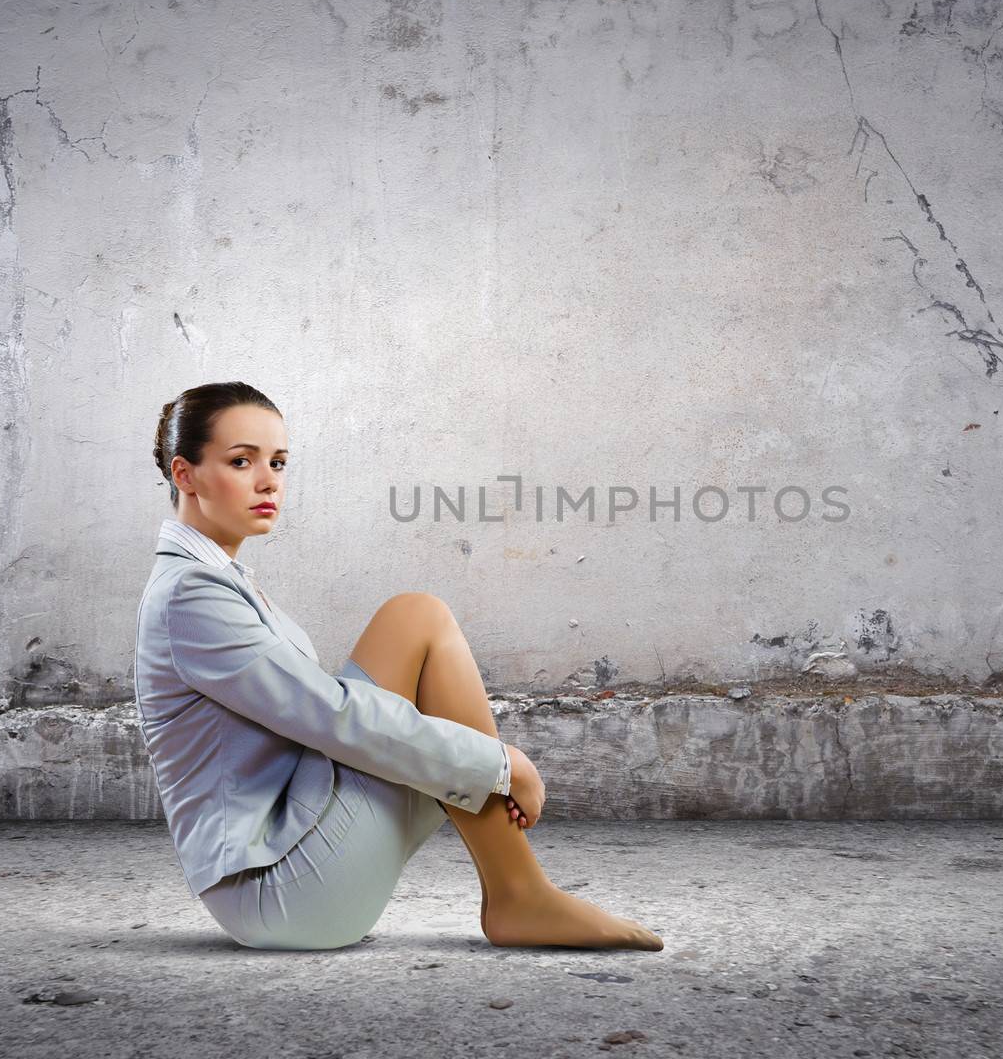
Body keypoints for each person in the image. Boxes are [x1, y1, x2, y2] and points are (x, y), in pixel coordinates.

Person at [135, 380, 663, 952]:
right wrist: (502, 764)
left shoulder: (215, 579)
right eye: (242, 461)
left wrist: (485, 764)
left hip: (292, 863)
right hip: (277, 892)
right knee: (416, 620)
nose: (269, 482)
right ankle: (519, 893)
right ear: (184, 474)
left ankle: (519, 892)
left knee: (417, 623)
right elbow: (329, 715)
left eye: (279, 462)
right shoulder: (191, 594)